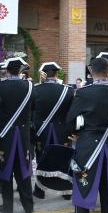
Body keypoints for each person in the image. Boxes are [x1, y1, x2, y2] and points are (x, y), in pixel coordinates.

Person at [67, 57, 108, 213]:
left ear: (91, 71)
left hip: (88, 146)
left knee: (84, 192)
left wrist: (75, 134)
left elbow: (70, 120)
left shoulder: (83, 93)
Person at [0, 57, 35, 213]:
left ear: (7, 70)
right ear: (20, 71)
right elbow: (34, 107)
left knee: (6, 172)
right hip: (23, 136)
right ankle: (29, 208)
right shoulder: (30, 86)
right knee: (24, 172)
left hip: (5, 134)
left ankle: (7, 207)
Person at [31, 62, 74, 200]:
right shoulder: (67, 90)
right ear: (57, 73)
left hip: (41, 130)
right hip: (62, 130)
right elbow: (71, 113)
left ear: (43, 73)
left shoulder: (36, 89)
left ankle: (39, 190)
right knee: (64, 159)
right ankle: (66, 192)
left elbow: (32, 111)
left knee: (41, 159)